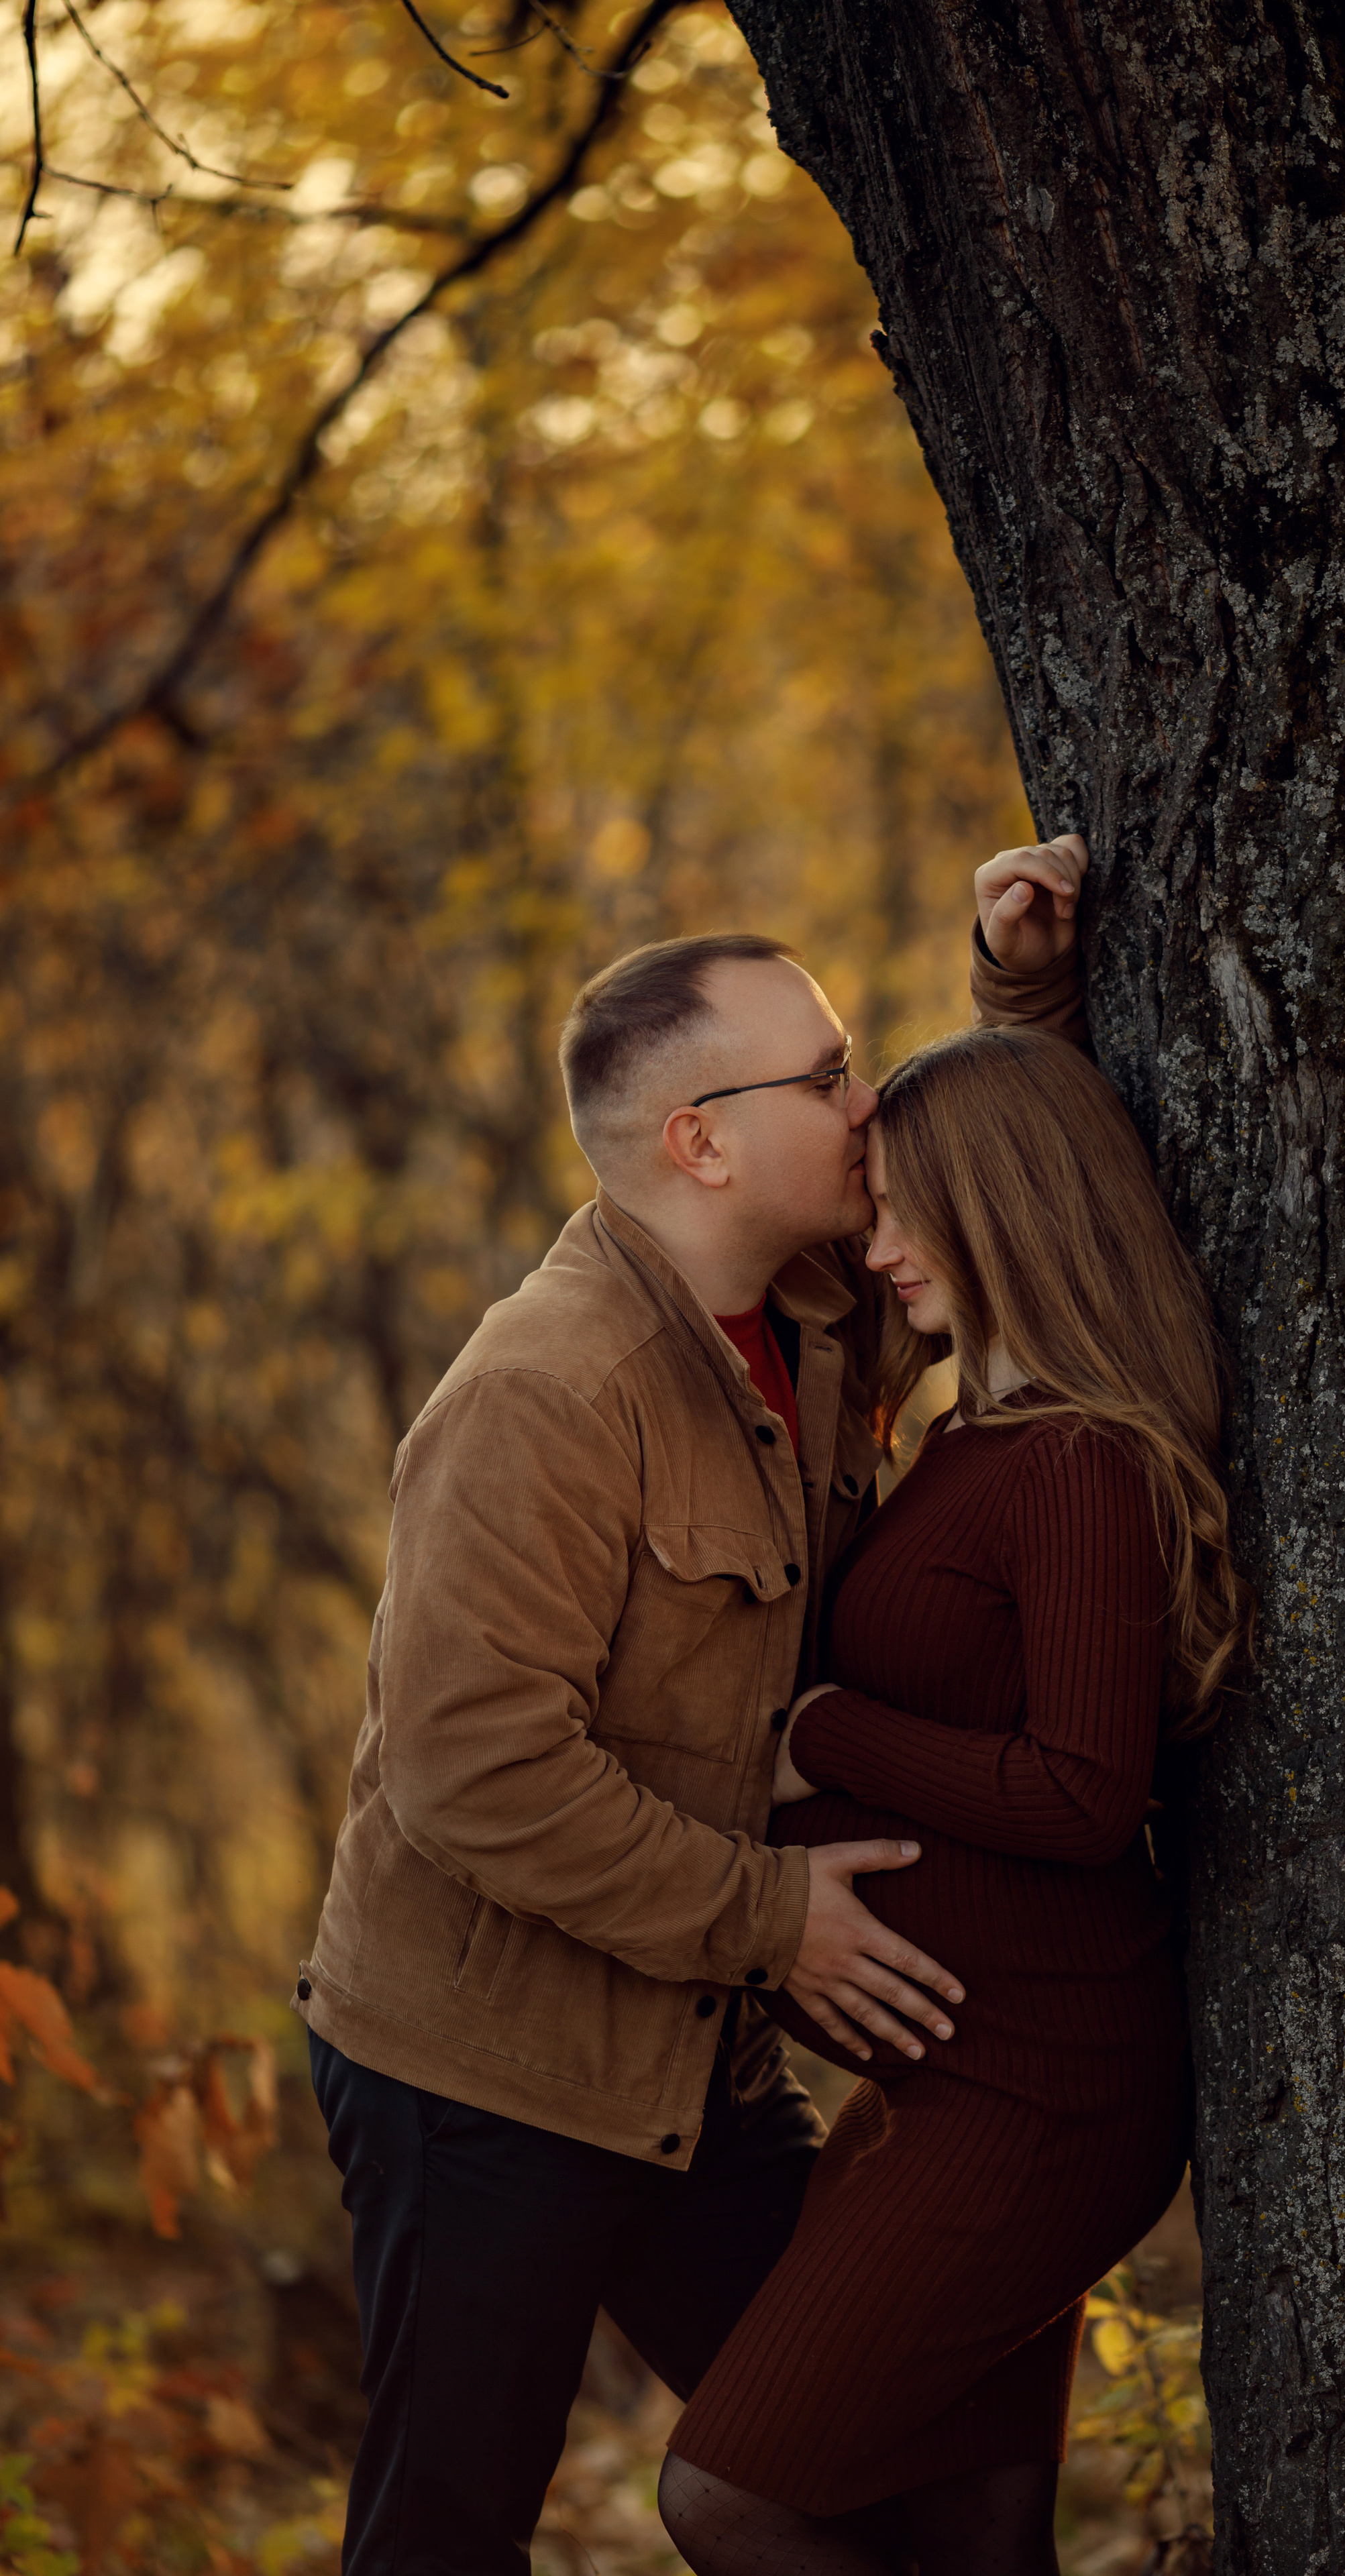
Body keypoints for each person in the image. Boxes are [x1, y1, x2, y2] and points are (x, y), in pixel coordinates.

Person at [290, 836, 1091, 2576]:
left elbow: (1012, 1204)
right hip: (479, 2073)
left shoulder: (813, 1319)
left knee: (868, 2454)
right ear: (698, 1140)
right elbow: (468, 1771)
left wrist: (1021, 990)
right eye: (823, 1074)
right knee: (446, 2533)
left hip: (694, 2059)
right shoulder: (543, 1391)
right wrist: (770, 1920)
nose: (862, 1096)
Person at [659, 906, 1249, 2573]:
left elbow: (1078, 1793)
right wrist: (1024, 997)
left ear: (998, 1217)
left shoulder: (1071, 1462)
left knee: (724, 2496)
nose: (880, 1242)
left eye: (912, 1213)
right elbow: (1011, 1124)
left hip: (1043, 2085)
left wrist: (827, 1733)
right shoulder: (976, 1416)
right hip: (956, 2068)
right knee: (976, 2538)